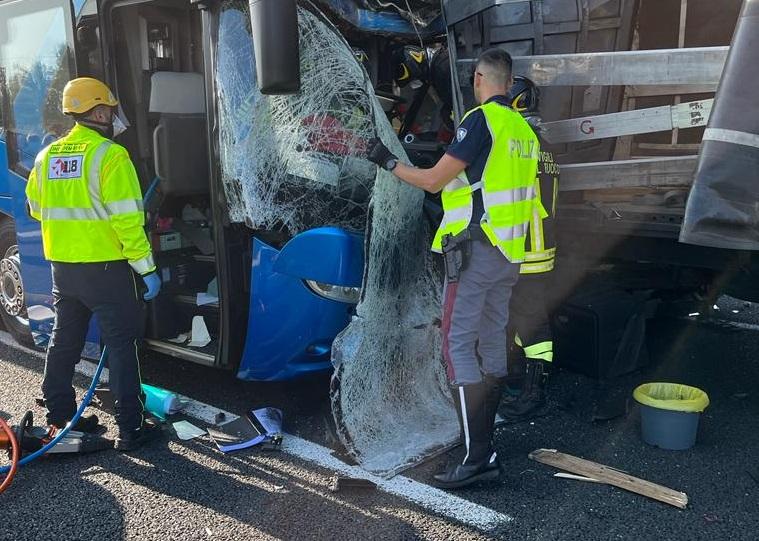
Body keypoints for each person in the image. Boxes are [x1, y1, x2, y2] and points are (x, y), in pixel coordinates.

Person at [366, 49, 541, 489]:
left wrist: (386, 160)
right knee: (491, 341)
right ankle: (486, 448)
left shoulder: (481, 120)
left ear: (480, 78)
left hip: (475, 252)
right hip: (508, 254)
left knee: (457, 345)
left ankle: (475, 455)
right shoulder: (525, 131)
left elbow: (432, 181)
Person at [25, 77, 162, 452]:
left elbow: (36, 208)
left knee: (64, 340)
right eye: (111, 111)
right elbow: (128, 221)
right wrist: (146, 268)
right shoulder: (111, 156)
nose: (114, 117)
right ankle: (131, 428)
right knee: (122, 345)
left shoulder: (46, 156)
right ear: (100, 111)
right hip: (106, 270)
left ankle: (60, 417)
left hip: (63, 269)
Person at [500, 76, 560, 421]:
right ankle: (517, 380)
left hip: (526, 249)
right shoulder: (544, 143)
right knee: (518, 319)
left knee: (532, 325)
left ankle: (533, 393)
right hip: (540, 246)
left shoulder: (520, 142)